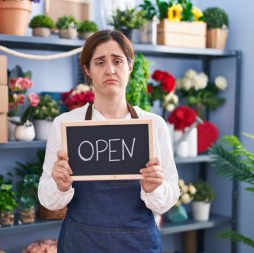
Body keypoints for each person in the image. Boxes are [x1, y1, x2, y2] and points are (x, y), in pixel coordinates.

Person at [38, 30, 180, 253]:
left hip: (138, 243)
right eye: (100, 62)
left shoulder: (153, 124)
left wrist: (154, 188)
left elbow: (170, 195)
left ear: (130, 66)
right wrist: (60, 185)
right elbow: (47, 198)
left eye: (117, 61)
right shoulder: (66, 124)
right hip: (81, 242)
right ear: (87, 70)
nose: (110, 70)